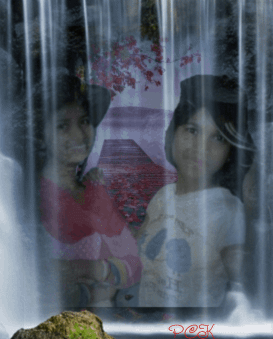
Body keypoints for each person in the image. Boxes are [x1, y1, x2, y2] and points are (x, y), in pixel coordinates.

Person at [137, 74, 255, 307]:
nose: (201, 147)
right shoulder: (162, 196)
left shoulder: (229, 211)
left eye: (218, 137)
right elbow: (135, 250)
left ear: (230, 151)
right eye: (192, 130)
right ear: (174, 133)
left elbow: (245, 283)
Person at [37, 74, 142, 308]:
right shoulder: (33, 197)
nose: (79, 136)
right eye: (63, 126)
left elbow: (135, 263)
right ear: (41, 135)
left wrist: (93, 269)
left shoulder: (93, 191)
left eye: (84, 121)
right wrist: (108, 274)